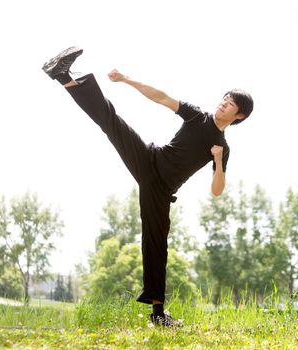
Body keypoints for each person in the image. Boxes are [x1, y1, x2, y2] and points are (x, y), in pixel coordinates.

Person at [42, 46, 254, 327]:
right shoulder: (197, 116)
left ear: (239, 116)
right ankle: (63, 75)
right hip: (149, 159)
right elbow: (162, 97)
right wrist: (127, 79)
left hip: (161, 190)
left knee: (156, 246)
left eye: (230, 104)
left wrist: (216, 158)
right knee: (112, 122)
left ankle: (158, 314)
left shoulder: (222, 148)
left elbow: (217, 190)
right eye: (224, 99)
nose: (223, 104)